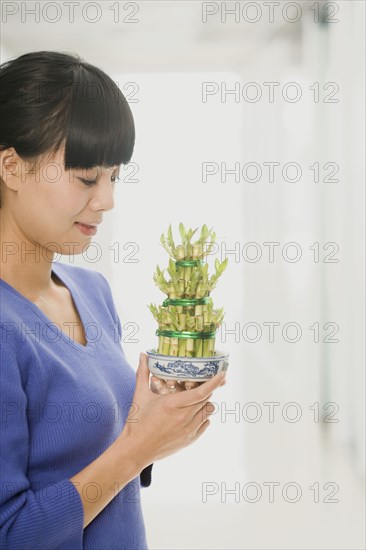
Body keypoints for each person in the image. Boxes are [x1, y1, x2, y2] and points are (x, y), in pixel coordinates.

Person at [0, 51, 226, 549]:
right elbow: (10, 534)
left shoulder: (91, 291)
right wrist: (138, 446)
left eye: (114, 176)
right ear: (12, 167)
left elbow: (97, 457)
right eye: (87, 177)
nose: (106, 200)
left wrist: (156, 423)